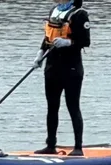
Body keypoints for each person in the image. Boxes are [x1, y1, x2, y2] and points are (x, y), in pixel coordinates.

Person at [35, 1, 91, 156]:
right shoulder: (54, 10)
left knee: (73, 107)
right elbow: (48, 37)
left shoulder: (80, 14)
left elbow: (85, 41)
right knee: (52, 107)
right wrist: (40, 53)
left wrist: (68, 42)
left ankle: (78, 148)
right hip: (52, 67)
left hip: (71, 69)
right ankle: (50, 145)